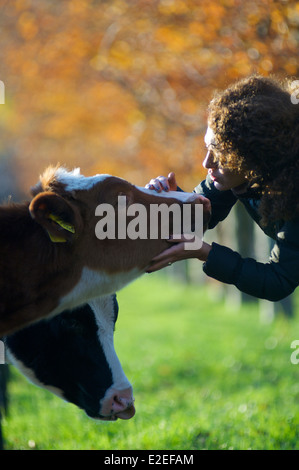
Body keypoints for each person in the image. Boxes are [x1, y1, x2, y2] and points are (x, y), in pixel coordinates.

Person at [145, 75, 299, 302]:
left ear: (253, 154)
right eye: (208, 148)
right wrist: (171, 200)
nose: (206, 163)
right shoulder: (239, 176)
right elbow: (189, 223)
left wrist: (204, 252)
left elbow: (277, 281)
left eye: (220, 153)